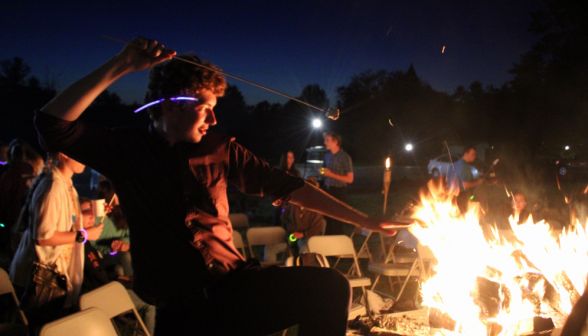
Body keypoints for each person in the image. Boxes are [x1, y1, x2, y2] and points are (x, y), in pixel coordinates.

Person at [34, 36, 403, 335]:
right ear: (171, 106)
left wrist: (364, 220)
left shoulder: (219, 150)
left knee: (329, 287)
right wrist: (122, 64)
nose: (213, 119)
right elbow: (52, 124)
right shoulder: (126, 150)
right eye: (204, 107)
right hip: (183, 313)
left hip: (236, 289)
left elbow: (286, 185)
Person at [9, 152, 103, 329]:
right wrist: (84, 235)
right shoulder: (53, 186)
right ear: (64, 154)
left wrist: (85, 213)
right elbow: (43, 237)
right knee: (45, 330)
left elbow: (63, 219)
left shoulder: (67, 186)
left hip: (52, 276)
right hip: (39, 278)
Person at [79, 197, 155, 335]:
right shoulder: (79, 244)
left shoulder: (85, 243)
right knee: (149, 302)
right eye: (86, 211)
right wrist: (119, 281)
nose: (92, 216)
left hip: (102, 289)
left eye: (92, 210)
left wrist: (121, 278)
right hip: (94, 298)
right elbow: (95, 279)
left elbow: (99, 272)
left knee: (143, 289)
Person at [0, 139, 35, 253]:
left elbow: (3, 198)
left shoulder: (9, 175)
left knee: (13, 250)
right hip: (30, 218)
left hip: (13, 218)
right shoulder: (32, 171)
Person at [320, 132, 354, 235]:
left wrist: (330, 174)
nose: (325, 142)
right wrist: (322, 172)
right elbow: (325, 172)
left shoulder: (345, 157)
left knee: (337, 222)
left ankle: (338, 247)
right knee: (326, 220)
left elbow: (350, 179)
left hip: (339, 192)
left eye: (327, 140)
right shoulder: (327, 156)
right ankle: (327, 247)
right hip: (327, 190)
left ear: (335, 142)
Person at [282, 177, 325, 255]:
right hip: (291, 236)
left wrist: (302, 234)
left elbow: (317, 228)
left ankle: (303, 265)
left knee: (304, 248)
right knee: (271, 248)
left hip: (307, 238)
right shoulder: (293, 204)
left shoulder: (317, 208)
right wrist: (291, 230)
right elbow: (284, 218)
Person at [446, 145, 484, 213]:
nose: (475, 156)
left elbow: (447, 181)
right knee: (463, 217)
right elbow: (465, 185)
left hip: (450, 196)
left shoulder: (453, 165)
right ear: (466, 154)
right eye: (473, 154)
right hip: (462, 197)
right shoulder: (465, 166)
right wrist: (478, 182)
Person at [273, 150, 301, 226]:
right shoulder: (278, 172)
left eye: (292, 157)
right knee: (279, 221)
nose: (291, 159)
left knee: (290, 223)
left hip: (292, 202)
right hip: (281, 202)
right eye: (289, 157)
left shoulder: (296, 173)